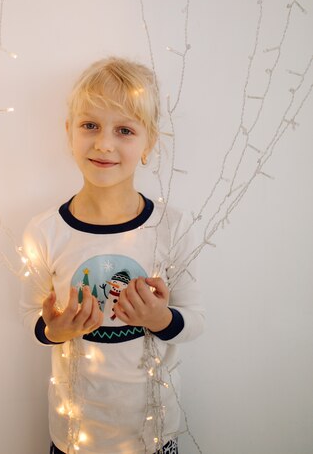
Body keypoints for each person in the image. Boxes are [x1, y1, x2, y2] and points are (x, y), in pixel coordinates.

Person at [19, 57, 205, 454]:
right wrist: (55, 330)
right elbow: (32, 317)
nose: (104, 143)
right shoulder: (45, 231)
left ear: (148, 142)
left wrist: (159, 318)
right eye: (90, 126)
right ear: (69, 132)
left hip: (153, 438)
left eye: (124, 130)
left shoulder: (171, 228)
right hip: (74, 440)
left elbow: (196, 320)